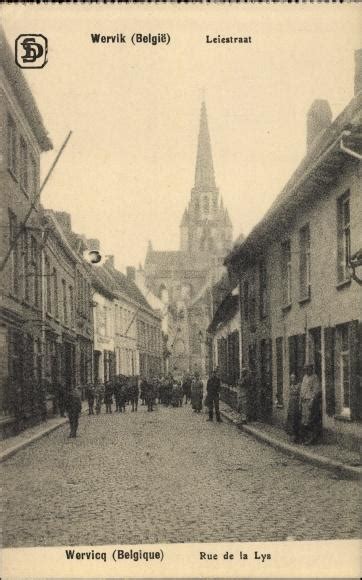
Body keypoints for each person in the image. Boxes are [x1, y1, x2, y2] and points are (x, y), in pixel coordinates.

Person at [299, 364, 322, 445]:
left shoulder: (315, 378)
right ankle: (303, 438)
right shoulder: (304, 377)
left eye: (308, 369)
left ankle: (310, 439)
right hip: (304, 401)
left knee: (310, 420)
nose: (307, 371)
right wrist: (300, 400)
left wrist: (312, 401)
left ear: (312, 369)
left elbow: (316, 391)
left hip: (310, 401)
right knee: (304, 419)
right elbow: (302, 389)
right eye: (305, 369)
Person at [285, 373, 301, 442]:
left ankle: (296, 435)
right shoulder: (290, 386)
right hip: (291, 404)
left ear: (296, 379)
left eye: (293, 378)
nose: (292, 380)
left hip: (296, 404)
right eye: (291, 378)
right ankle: (291, 435)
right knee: (290, 419)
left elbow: (299, 394)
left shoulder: (298, 385)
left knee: (296, 419)